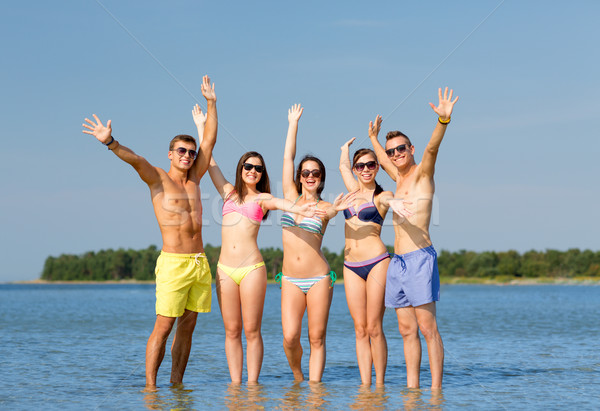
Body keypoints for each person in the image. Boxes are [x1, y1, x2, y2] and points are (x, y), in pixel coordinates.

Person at [81, 76, 218, 389]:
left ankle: (177, 386)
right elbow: (135, 160)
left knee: (189, 326)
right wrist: (110, 142)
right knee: (164, 325)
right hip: (173, 264)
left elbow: (209, 141)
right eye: (181, 151)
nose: (188, 155)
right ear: (170, 154)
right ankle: (150, 389)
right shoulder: (158, 178)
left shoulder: (196, 179)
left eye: (191, 152)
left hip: (199, 263)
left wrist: (212, 103)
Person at [193, 103, 322, 383]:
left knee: (251, 330)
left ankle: (252, 386)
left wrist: (301, 209)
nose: (252, 171)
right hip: (225, 269)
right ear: (241, 169)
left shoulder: (262, 200)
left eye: (258, 169)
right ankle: (236, 386)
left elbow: (283, 202)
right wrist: (202, 126)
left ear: (262, 174)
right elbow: (209, 160)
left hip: (252, 268)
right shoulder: (227, 193)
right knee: (231, 330)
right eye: (248, 166)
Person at [368, 87, 458, 389]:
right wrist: (373, 140)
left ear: (411, 148)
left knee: (427, 328)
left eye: (400, 148)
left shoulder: (422, 174)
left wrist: (442, 122)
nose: (395, 154)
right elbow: (381, 159)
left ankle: (435, 393)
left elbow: (432, 149)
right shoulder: (398, 177)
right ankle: (412, 390)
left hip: (420, 257)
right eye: (392, 151)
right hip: (398, 263)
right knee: (406, 331)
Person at [280, 104, 354, 382]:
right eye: (306, 172)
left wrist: (336, 207)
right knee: (289, 337)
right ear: (299, 177)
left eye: (316, 174)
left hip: (319, 278)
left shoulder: (326, 207)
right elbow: (288, 157)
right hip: (289, 279)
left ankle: (314, 391)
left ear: (321, 179)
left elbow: (335, 211)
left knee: (316, 337)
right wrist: (293, 123)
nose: (310, 176)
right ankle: (299, 377)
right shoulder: (288, 196)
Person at [339, 140, 395, 386]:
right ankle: (365, 387)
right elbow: (342, 166)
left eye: (371, 164)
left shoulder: (382, 196)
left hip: (377, 263)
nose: (365, 169)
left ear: (377, 168)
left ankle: (380, 385)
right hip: (350, 266)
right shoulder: (351, 190)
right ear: (355, 169)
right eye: (360, 165)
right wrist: (344, 149)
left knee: (374, 327)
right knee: (360, 328)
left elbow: (391, 200)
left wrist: (398, 203)